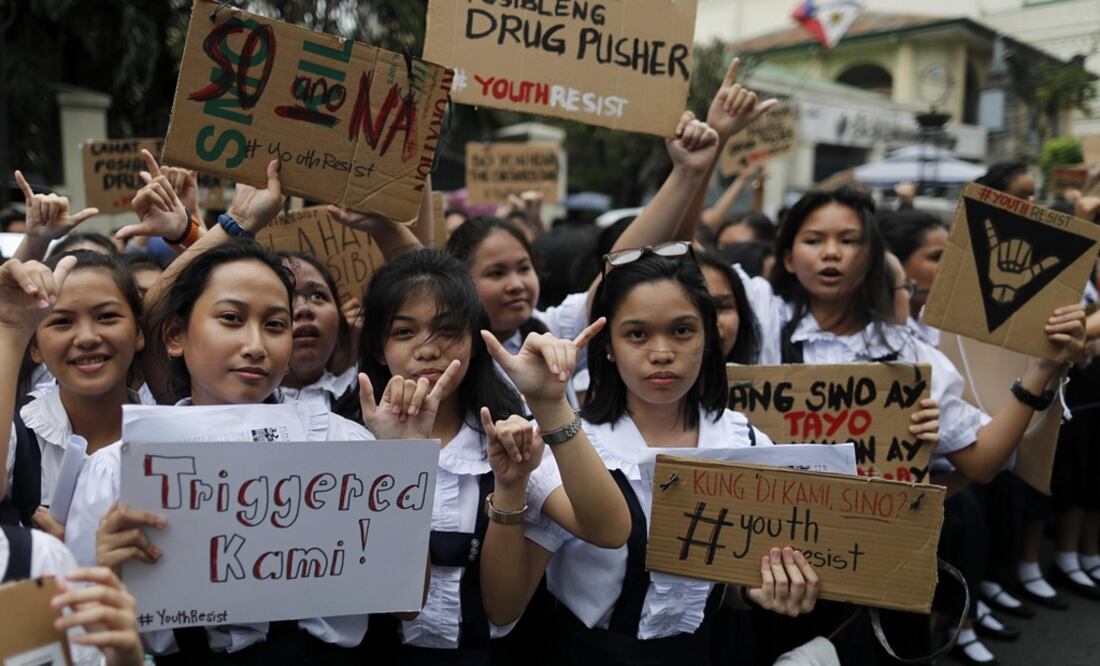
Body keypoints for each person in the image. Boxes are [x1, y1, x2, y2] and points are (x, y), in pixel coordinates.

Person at [66, 160, 396, 663]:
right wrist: (107, 574)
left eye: (275, 324)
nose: (255, 345)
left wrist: (400, 471)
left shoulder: (343, 450)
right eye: (230, 319)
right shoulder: (118, 473)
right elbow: (82, 641)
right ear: (175, 336)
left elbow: (400, 596)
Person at [479, 246, 819, 666]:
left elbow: (734, 585)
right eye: (637, 334)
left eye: (682, 331)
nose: (662, 353)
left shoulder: (746, 443)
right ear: (607, 346)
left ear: (709, 337)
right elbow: (504, 607)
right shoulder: (569, 444)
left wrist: (763, 589)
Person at [339, 248, 629, 663]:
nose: (426, 349)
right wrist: (400, 460)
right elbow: (401, 603)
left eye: (447, 330)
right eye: (404, 332)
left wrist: (549, 406)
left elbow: (608, 530)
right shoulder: (345, 439)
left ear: (475, 342)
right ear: (378, 348)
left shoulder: (506, 437)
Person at [0, 251, 144, 541]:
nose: (87, 338)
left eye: (107, 317)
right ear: (35, 347)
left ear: (139, 331)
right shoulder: (18, 438)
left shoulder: (175, 435)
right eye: (62, 322)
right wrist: (11, 328)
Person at [275, 252, 357, 410]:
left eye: (317, 296)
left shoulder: (374, 394)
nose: (304, 309)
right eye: (285, 296)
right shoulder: (231, 401)